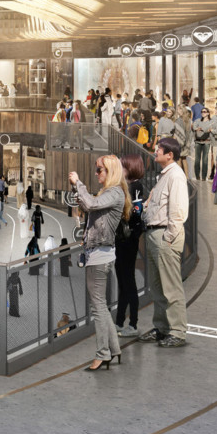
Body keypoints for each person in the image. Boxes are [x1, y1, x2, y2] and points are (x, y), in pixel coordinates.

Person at [70, 155, 128, 371]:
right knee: (101, 306)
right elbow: (90, 207)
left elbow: (91, 203)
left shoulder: (113, 193)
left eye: (99, 170)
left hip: (99, 256)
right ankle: (114, 349)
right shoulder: (111, 192)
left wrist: (78, 183)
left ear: (110, 171)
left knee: (98, 307)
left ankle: (103, 353)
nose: (96, 174)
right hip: (101, 254)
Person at [140, 137, 190, 348]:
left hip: (164, 237)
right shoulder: (165, 176)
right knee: (158, 287)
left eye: (160, 148)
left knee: (170, 287)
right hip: (155, 235)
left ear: (170, 155)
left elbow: (178, 212)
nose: (155, 149)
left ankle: (177, 331)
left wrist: (168, 238)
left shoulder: (175, 177)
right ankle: (162, 328)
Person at [114, 155, 147, 338]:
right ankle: (119, 321)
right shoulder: (130, 186)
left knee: (128, 281)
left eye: (123, 167)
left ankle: (132, 323)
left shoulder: (134, 187)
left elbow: (135, 212)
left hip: (127, 240)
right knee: (124, 281)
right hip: (125, 239)